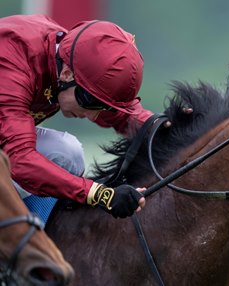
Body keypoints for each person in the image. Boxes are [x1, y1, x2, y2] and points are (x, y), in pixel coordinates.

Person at [0, 14, 154, 219]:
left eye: (103, 107)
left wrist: (157, 126)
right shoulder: (12, 60)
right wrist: (99, 194)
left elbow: (121, 114)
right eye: (91, 102)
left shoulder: (71, 58)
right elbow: (19, 160)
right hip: (13, 152)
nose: (93, 116)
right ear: (66, 74)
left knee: (67, 154)